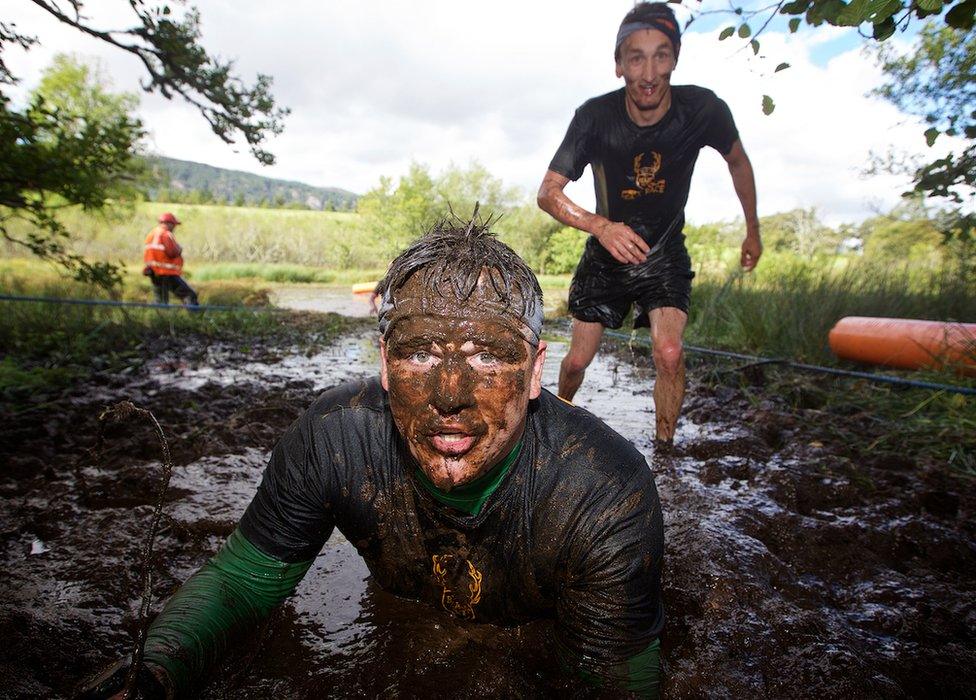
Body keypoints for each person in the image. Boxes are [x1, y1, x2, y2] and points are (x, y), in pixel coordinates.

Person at [81, 221, 665, 698]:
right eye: (419, 354)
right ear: (385, 363)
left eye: (489, 356)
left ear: (536, 371)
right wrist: (154, 674)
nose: (449, 393)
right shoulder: (334, 440)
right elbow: (240, 584)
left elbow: (612, 684)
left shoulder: (603, 495)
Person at [537, 2, 762, 446]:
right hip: (607, 256)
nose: (649, 72)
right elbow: (548, 192)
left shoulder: (703, 109)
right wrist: (601, 227)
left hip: (663, 253)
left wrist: (752, 229)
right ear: (619, 65)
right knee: (578, 362)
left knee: (670, 352)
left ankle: (665, 452)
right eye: (636, 57)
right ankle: (554, 422)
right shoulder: (594, 117)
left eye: (661, 55)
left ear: (675, 58)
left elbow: (738, 162)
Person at [143, 212, 199, 307]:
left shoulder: (151, 234)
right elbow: (172, 252)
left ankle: (159, 318)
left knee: (161, 301)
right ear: (168, 223)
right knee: (189, 295)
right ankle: (195, 318)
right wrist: (179, 249)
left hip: (154, 272)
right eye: (174, 224)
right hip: (167, 273)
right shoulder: (166, 234)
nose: (174, 227)